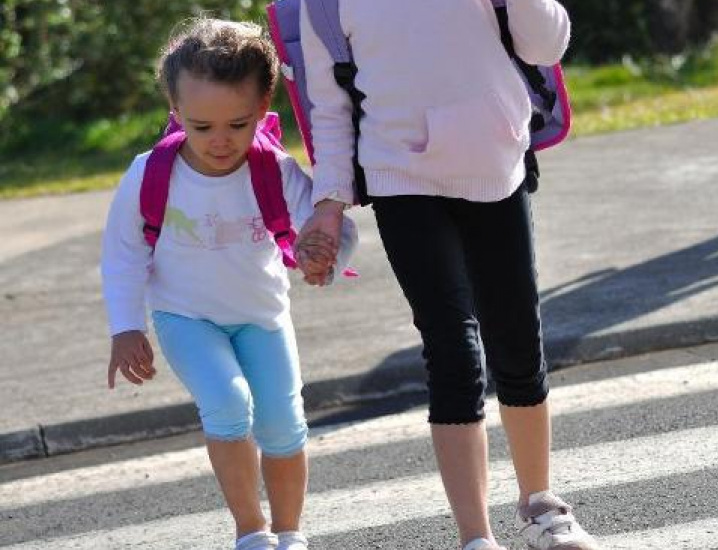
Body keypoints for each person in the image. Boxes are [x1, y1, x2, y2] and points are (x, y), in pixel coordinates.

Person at [293, 1, 598, 549]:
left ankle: (540, 508)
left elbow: (545, 47)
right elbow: (331, 108)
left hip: (496, 165)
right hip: (399, 178)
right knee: (453, 351)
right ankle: (475, 537)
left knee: (517, 339)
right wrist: (329, 202)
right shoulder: (325, 4)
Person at [100, 18, 357, 550]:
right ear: (176, 113)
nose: (220, 141)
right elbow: (123, 255)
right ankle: (251, 533)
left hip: (262, 318)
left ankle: (289, 534)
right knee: (228, 404)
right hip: (185, 317)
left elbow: (334, 228)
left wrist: (323, 257)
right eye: (201, 127)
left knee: (284, 425)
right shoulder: (149, 174)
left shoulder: (275, 170)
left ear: (263, 111)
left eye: (238, 125)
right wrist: (126, 328)